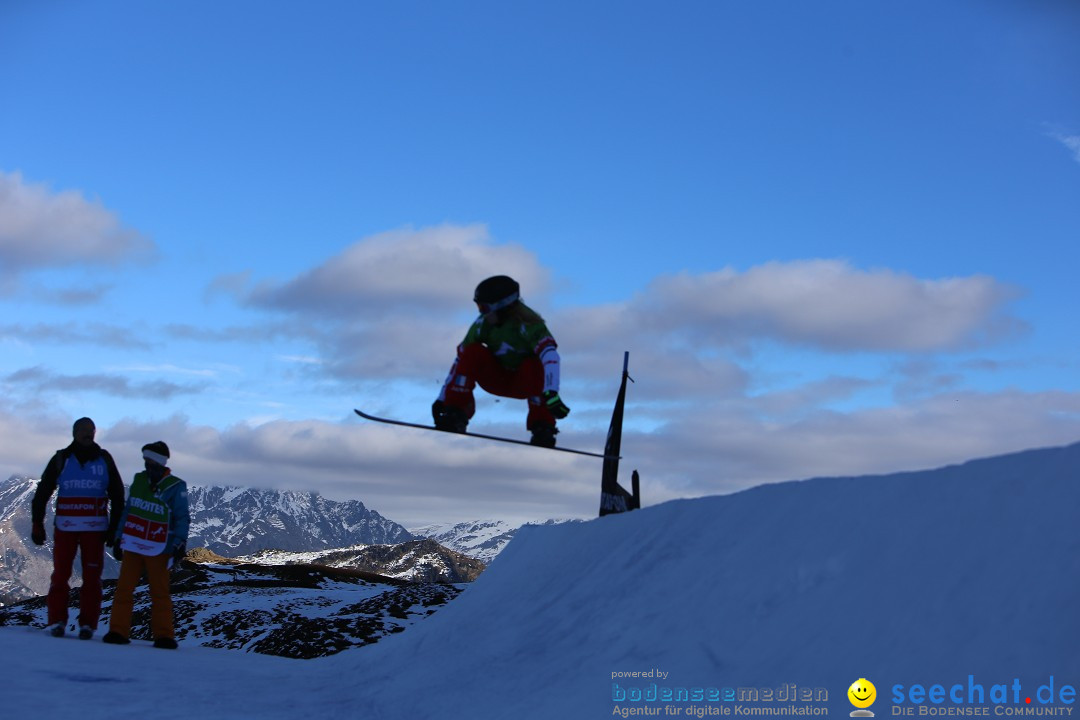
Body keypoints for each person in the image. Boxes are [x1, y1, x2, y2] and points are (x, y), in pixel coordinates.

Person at [432, 275, 571, 448]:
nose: (481, 312)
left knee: (534, 364)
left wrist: (551, 393)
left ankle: (542, 426)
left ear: (502, 306)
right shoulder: (484, 323)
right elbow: (461, 358)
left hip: (524, 383)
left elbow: (550, 356)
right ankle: (456, 414)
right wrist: (443, 398)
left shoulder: (528, 323)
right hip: (496, 379)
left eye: (484, 307)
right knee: (472, 351)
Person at [31, 417, 125, 640]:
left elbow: (118, 495)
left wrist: (115, 530)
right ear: (74, 433)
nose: (88, 434)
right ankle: (56, 622)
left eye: (91, 430)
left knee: (92, 578)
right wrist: (37, 524)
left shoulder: (104, 460)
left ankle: (87, 625)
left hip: (96, 528)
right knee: (61, 576)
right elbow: (43, 492)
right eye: (83, 430)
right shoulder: (61, 459)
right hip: (66, 527)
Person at [103, 441, 189, 649]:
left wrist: (179, 543)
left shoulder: (176, 486)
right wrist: (118, 536)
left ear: (158, 461)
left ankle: (164, 636)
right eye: (145, 460)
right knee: (124, 589)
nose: (146, 464)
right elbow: (129, 510)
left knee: (159, 592)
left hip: (159, 547)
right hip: (134, 543)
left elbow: (181, 518)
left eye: (149, 459)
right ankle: (118, 631)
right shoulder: (139, 480)